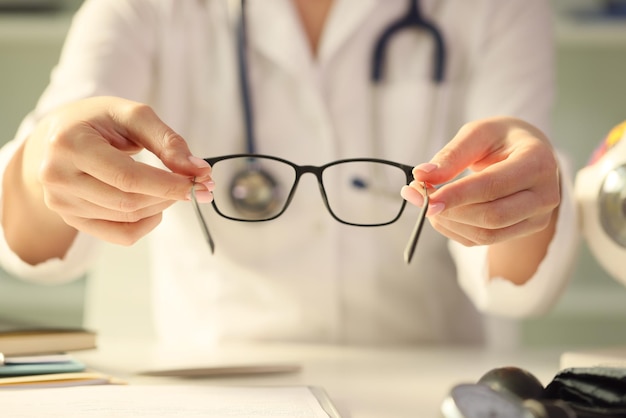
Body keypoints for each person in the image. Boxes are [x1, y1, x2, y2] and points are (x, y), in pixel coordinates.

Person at [0, 0, 578, 346]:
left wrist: (522, 192)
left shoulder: (500, 8)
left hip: (424, 381)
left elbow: (512, 282)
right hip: (220, 386)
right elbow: (33, 239)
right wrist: (45, 165)